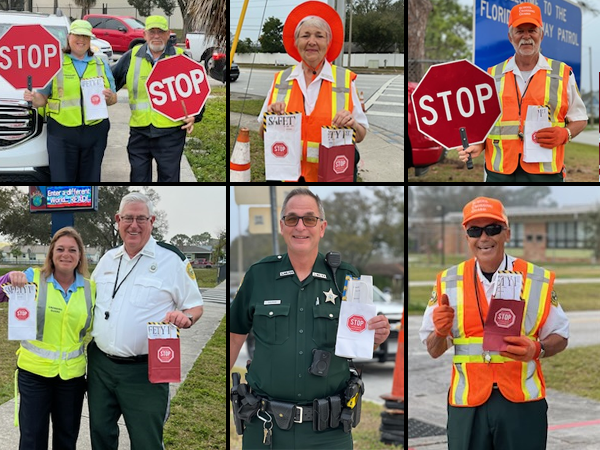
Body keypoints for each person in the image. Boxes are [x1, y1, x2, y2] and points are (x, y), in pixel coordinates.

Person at [230, 188, 390, 449]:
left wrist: (375, 336)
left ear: (322, 227)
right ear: (282, 226)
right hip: (265, 426)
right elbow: (235, 334)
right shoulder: (259, 275)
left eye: (310, 219)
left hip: (328, 432)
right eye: (292, 219)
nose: (300, 226)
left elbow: (357, 342)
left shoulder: (346, 278)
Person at [419, 197, 569, 450]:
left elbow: (561, 336)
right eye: (475, 231)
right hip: (468, 402)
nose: (484, 237)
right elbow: (433, 350)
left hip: (521, 402)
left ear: (507, 233)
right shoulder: (448, 281)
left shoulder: (536, 279)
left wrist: (538, 349)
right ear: (466, 236)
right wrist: (440, 332)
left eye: (493, 229)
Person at [87, 191, 204, 449]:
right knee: (100, 434)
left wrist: (185, 318)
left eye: (142, 218)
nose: (134, 225)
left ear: (152, 221)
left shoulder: (171, 260)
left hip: (146, 371)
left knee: (146, 441)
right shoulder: (108, 259)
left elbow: (195, 306)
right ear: (118, 220)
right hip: (100, 366)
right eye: (128, 218)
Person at [457, 2, 588, 182]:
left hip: (545, 173)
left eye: (532, 30)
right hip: (499, 172)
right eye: (520, 31)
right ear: (511, 37)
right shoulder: (492, 75)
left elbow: (580, 119)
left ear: (541, 34)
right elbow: (484, 122)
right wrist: (480, 144)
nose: (526, 37)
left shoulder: (563, 73)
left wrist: (566, 134)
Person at [0, 227, 95, 450]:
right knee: (32, 439)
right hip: (34, 375)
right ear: (51, 253)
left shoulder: (91, 288)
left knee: (66, 438)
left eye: (73, 249)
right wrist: (8, 278)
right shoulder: (33, 277)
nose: (66, 254)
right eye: (60, 249)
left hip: (72, 377)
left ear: (80, 255)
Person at [257, 1, 368, 182]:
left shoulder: (345, 81)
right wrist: (269, 118)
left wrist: (352, 124)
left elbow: (361, 135)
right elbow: (262, 134)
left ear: (328, 42)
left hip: (330, 178)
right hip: (287, 179)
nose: (312, 42)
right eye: (305, 35)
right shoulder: (280, 80)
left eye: (319, 36)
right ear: (296, 42)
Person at [111, 15, 203, 182]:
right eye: (152, 32)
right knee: (138, 181)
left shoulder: (180, 57)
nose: (156, 36)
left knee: (169, 180)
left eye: (160, 32)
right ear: (144, 35)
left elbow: (199, 92)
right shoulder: (131, 57)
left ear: (168, 34)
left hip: (171, 134)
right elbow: (109, 81)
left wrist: (195, 116)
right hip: (140, 132)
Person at [24, 20, 117, 182]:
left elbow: (113, 99)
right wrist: (32, 99)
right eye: (77, 35)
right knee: (62, 181)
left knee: (90, 182)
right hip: (62, 132)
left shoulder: (101, 63)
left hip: (94, 132)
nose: (81, 40)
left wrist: (110, 97)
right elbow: (42, 100)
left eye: (85, 36)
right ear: (69, 37)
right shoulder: (54, 63)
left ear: (90, 40)